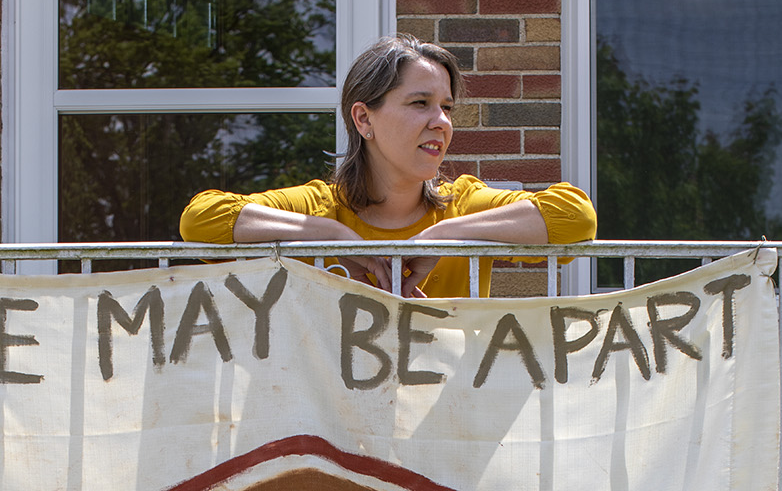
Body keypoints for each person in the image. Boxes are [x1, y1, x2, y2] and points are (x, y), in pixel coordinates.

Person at [180, 33, 596, 300]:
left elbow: (576, 217)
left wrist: (443, 235)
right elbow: (200, 221)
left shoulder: (465, 203)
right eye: (420, 104)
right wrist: (335, 237)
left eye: (447, 107)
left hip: (447, 432)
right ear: (364, 120)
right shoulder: (317, 206)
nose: (442, 121)